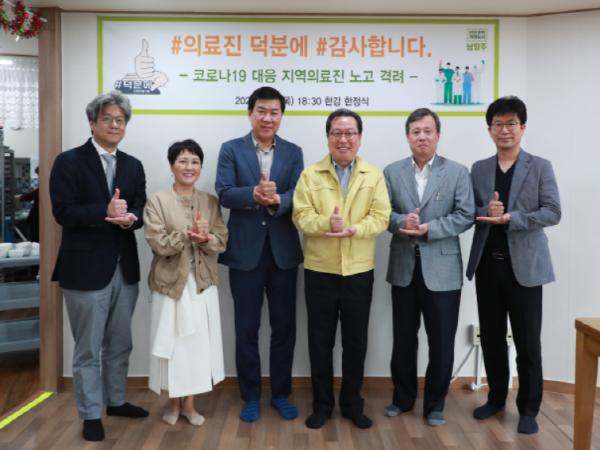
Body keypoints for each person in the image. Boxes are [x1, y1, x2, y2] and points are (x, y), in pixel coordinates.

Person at [49, 91, 147, 442]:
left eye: (120, 120)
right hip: (84, 270)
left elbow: (140, 207)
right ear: (92, 123)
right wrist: (104, 211)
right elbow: (63, 211)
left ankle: (115, 400)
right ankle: (91, 413)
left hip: (125, 268)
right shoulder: (68, 162)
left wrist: (132, 218)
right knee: (88, 348)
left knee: (120, 342)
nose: (115, 125)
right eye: (108, 119)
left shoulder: (133, 165)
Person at [466, 96, 561, 434]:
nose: (504, 130)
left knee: (527, 342)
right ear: (489, 130)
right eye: (498, 124)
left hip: (526, 268)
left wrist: (511, 218)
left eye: (511, 124)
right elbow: (469, 211)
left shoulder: (540, 166)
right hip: (488, 266)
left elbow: (553, 212)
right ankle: (495, 398)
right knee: (492, 338)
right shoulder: (479, 168)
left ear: (522, 127)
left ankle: (529, 409)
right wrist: (486, 213)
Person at [293, 108, 390, 429]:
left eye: (350, 133)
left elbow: (381, 217)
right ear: (328, 137)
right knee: (320, 342)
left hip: (359, 272)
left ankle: (352, 404)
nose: (343, 139)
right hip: (319, 271)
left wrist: (353, 229)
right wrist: (327, 224)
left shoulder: (373, 175)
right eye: (337, 132)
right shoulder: (311, 174)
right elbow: (300, 216)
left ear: (359, 138)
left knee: (355, 342)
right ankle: (321, 405)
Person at [215, 86, 303, 422]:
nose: (268, 118)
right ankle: (250, 395)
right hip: (245, 253)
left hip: (283, 254)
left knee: (284, 328)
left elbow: (299, 194)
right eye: (262, 111)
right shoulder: (231, 149)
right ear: (250, 113)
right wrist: (254, 193)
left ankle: (280, 394)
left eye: (274, 112)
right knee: (246, 328)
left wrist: (279, 200)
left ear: (281, 116)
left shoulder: (293, 151)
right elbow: (224, 192)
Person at [383, 108, 474, 426]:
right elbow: (383, 213)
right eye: (415, 131)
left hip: (443, 270)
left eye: (427, 131)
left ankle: (435, 404)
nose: (421, 137)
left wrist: (428, 229)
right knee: (403, 339)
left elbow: (465, 214)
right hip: (403, 267)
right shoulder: (392, 171)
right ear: (408, 136)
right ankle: (402, 398)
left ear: (438, 135)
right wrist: (401, 222)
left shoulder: (457, 172)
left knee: (442, 340)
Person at [144, 139, 228, 426]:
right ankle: (172, 403)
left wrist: (206, 238)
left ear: (200, 167)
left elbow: (221, 240)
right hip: (169, 285)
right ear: (171, 166)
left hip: (202, 284)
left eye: (194, 161)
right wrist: (186, 235)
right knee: (172, 346)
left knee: (196, 347)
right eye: (182, 161)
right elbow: (157, 241)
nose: (189, 166)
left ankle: (190, 405)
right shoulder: (157, 200)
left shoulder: (210, 201)